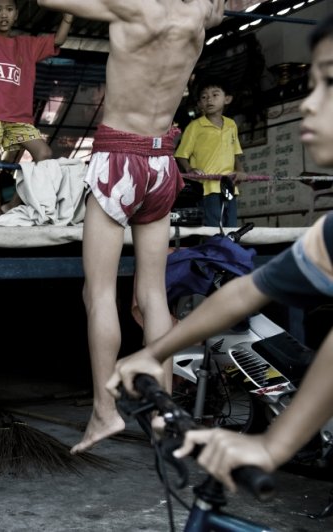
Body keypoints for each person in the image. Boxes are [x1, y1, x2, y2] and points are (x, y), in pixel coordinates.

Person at [107, 14, 333, 493]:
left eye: (329, 83)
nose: (309, 105)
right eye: (310, 84)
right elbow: (249, 292)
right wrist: (156, 353)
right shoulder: (327, 235)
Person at [37, 0, 224, 454]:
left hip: (119, 157)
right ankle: (162, 413)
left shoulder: (134, 8)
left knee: (98, 293)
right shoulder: (200, 13)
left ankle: (104, 411)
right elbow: (217, 11)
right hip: (161, 165)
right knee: (153, 295)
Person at [0, 0, 73, 221]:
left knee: (44, 154)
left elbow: (59, 39)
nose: (3, 15)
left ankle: (11, 205)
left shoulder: (28, 45)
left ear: (16, 15)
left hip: (19, 117)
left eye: (9, 10)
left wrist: (69, 14)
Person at [175, 76, 246, 228]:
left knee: (231, 226)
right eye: (204, 97)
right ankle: (214, 251)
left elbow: (234, 154)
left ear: (227, 99)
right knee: (212, 227)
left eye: (215, 95)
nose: (209, 100)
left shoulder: (231, 125)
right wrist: (190, 169)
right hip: (206, 187)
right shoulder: (195, 127)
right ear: (200, 104)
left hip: (229, 185)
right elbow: (181, 155)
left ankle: (228, 252)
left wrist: (241, 171)